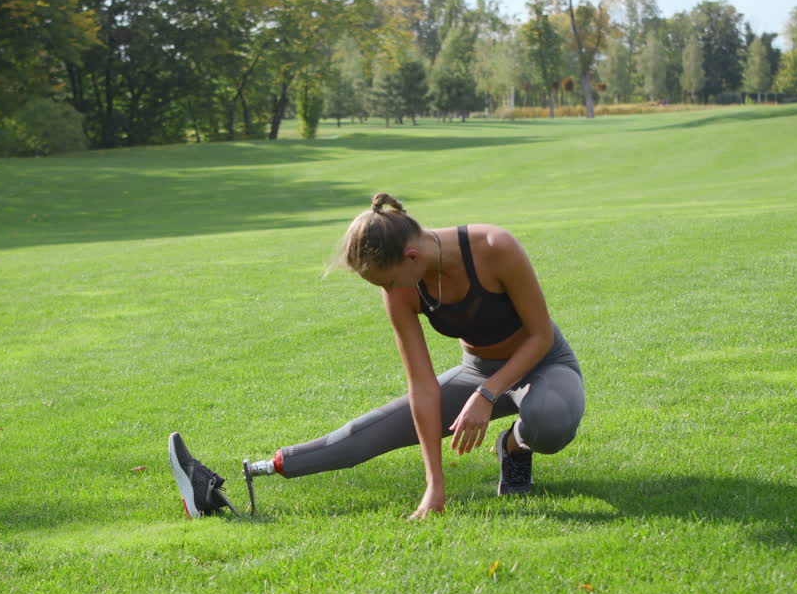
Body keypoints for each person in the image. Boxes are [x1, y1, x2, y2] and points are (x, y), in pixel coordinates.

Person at [170, 193, 586, 520]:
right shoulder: (402, 286)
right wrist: (434, 486)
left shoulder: (495, 247)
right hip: (476, 373)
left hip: (543, 365)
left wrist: (488, 394)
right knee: (362, 436)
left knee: (549, 420)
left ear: (411, 257)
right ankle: (231, 477)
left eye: (385, 282)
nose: (387, 292)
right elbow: (422, 386)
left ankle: (513, 448)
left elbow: (539, 336)